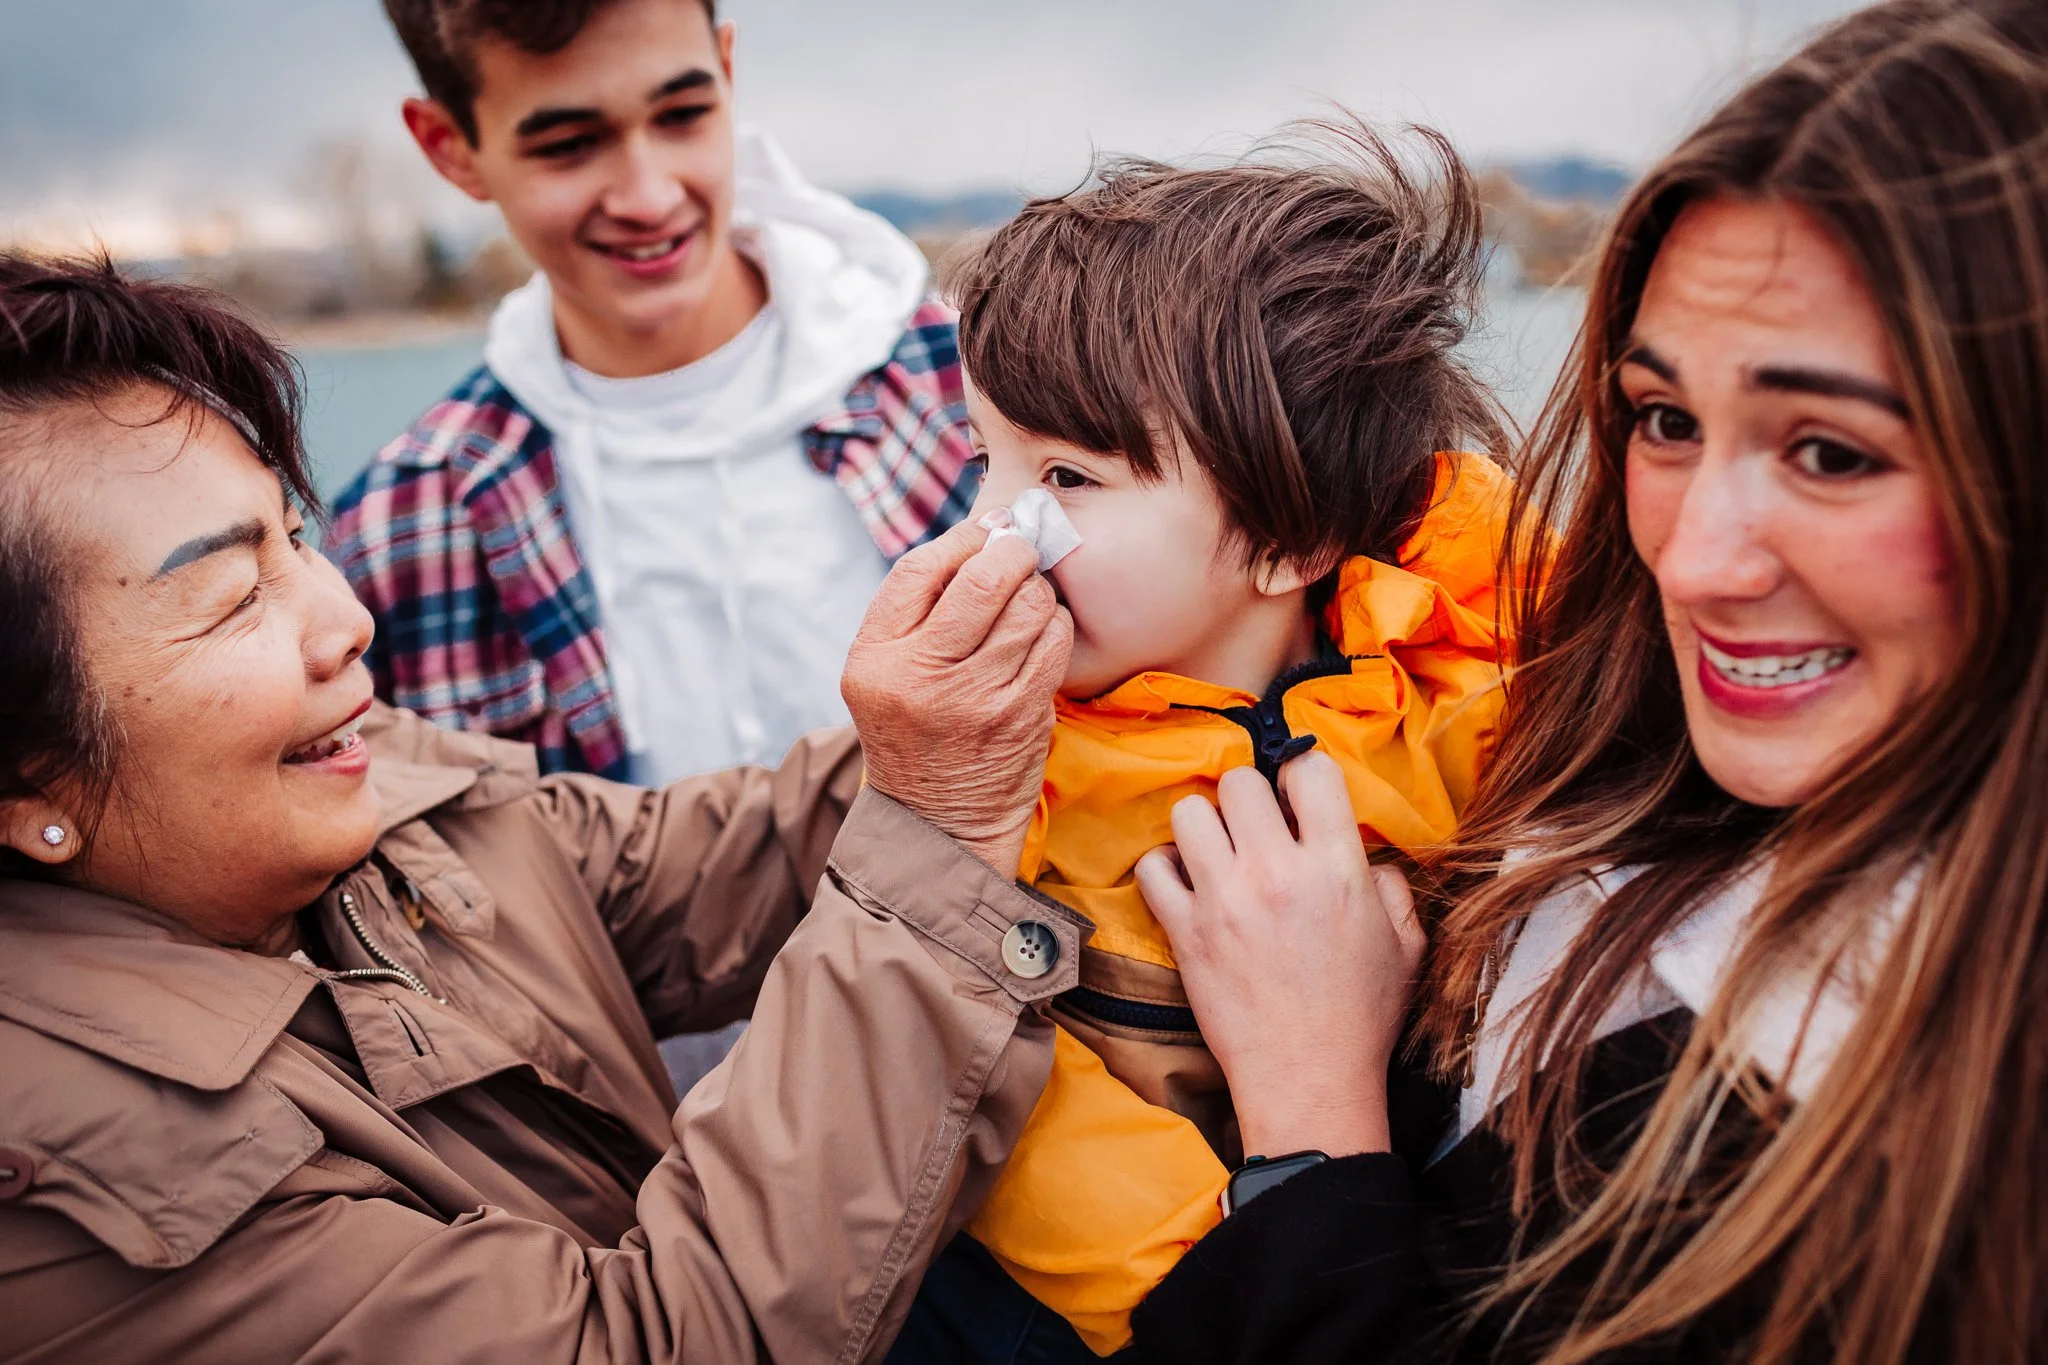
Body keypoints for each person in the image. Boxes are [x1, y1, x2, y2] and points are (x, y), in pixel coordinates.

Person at [1119, 0, 2048, 1360]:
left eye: (1833, 453)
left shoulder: (1941, 1133)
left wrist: (1312, 1121)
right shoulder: (1587, 748)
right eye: (1666, 420)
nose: (1696, 557)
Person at [0, 254, 1075, 1363]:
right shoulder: (79, 1191)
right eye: (232, 599)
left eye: (297, 538)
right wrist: (940, 817)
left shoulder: (375, 792)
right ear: (22, 776)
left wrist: (1048, 688)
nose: (347, 621)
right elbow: (658, 1345)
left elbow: (719, 859)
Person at [891, 127, 1514, 1361]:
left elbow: (1571, 633)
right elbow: (1003, 1110)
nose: (996, 530)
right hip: (1107, 1308)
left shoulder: (1446, 667)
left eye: (1067, 477)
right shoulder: (1000, 760)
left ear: (1294, 542)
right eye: (982, 462)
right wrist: (1215, 1270)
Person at [329, 0, 977, 784]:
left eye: (682, 114)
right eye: (569, 145)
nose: (647, 197)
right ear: (451, 148)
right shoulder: (400, 535)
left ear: (728, 72)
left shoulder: (976, 389)